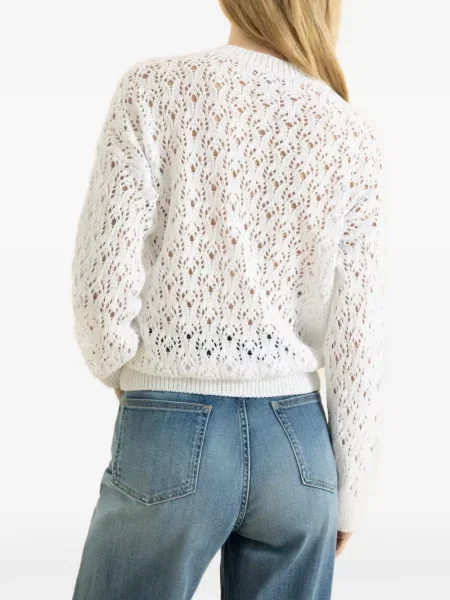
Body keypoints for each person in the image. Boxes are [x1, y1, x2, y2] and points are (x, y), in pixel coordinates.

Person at [70, 1, 385, 598]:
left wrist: (128, 375)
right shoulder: (350, 131)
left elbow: (100, 288)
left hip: (171, 424)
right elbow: (358, 336)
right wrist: (350, 496)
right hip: (298, 447)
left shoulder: (154, 89)